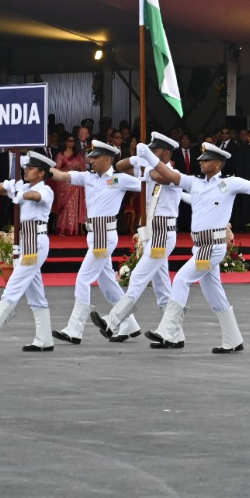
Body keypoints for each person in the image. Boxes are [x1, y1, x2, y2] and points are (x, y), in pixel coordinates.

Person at [140, 142, 250, 354]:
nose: (201, 163)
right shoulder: (195, 183)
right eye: (201, 160)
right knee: (215, 295)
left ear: (219, 163)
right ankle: (233, 339)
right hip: (200, 245)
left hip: (212, 246)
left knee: (181, 279)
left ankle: (168, 330)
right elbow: (168, 173)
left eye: (207, 160)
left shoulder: (230, 184)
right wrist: (149, 157)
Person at [49, 139, 145, 345]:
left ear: (108, 159)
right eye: (90, 156)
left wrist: (140, 166)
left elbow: (146, 187)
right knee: (107, 283)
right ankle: (130, 324)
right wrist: (44, 168)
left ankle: (75, 328)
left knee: (83, 279)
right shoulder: (88, 178)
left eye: (95, 157)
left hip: (105, 234)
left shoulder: (119, 179)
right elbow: (62, 175)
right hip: (94, 233)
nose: (90, 160)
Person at [93, 132, 183, 341]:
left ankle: (112, 321)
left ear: (167, 153)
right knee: (162, 289)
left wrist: (149, 161)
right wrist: (136, 158)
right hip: (153, 233)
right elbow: (119, 166)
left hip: (163, 233)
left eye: (155, 150)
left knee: (138, 277)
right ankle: (176, 335)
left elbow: (160, 178)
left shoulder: (170, 173)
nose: (151, 153)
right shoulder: (149, 167)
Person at [0, 151, 57, 351]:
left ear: (42, 173)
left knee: (15, 284)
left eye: (31, 168)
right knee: (36, 295)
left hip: (36, 242)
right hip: (26, 241)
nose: (26, 169)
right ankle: (44, 340)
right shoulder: (23, 186)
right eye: (26, 166)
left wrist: (22, 194)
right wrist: (12, 185)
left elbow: (35, 196)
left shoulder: (45, 190)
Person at [49, 140, 87, 237]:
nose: (72, 143)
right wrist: (67, 172)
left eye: (73, 141)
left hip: (75, 184)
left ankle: (73, 228)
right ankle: (62, 228)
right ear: (65, 142)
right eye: (69, 141)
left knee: (73, 206)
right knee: (65, 207)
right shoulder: (60, 155)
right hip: (63, 183)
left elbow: (83, 169)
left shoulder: (77, 156)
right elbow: (56, 170)